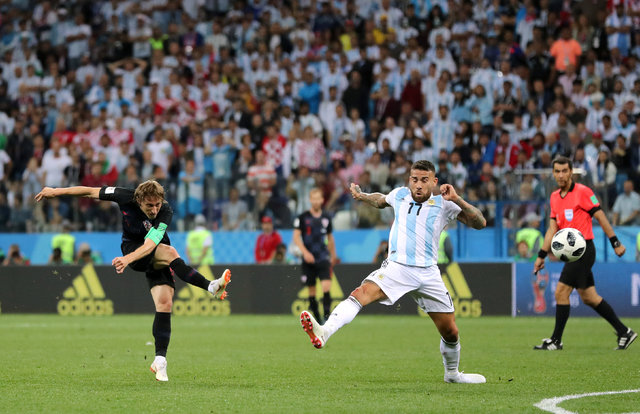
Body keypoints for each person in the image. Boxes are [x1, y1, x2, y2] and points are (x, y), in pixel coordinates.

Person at [300, 160, 488, 384]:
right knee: (361, 293)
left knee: (450, 332)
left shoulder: (444, 204)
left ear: (434, 182)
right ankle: (325, 331)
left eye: (424, 180)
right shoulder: (400, 195)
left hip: (428, 273)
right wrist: (362, 196)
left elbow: (480, 222)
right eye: (414, 179)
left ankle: (452, 374)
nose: (418, 185)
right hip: (398, 267)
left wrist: (457, 198)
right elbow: (380, 200)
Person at [35, 180, 231, 381]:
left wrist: (126, 260)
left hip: (153, 254)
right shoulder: (124, 196)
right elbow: (90, 192)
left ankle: (160, 360)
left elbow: (151, 244)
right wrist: (55, 191)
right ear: (139, 200)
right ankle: (210, 286)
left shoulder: (165, 211)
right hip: (133, 251)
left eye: (157, 204)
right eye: (149, 206)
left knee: (164, 303)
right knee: (170, 252)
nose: (154, 210)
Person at [533, 156, 636, 351]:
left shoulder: (583, 192)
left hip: (584, 250)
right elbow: (552, 229)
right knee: (589, 297)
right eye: (557, 171)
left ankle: (556, 340)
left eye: (565, 171)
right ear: (553, 173)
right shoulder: (554, 197)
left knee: (560, 292)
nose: (561, 175)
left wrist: (615, 242)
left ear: (571, 172)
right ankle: (624, 332)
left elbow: (601, 216)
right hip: (571, 253)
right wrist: (541, 255)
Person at [293, 188, 338, 323]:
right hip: (308, 260)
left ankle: (327, 318)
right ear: (310, 200)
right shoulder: (302, 217)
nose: (316, 201)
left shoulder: (326, 218)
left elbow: (330, 238)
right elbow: (296, 237)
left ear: (322, 200)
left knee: (326, 287)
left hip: (323, 257)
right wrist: (305, 253)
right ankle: (318, 319)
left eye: (318, 198)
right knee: (311, 291)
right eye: (314, 199)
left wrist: (333, 255)